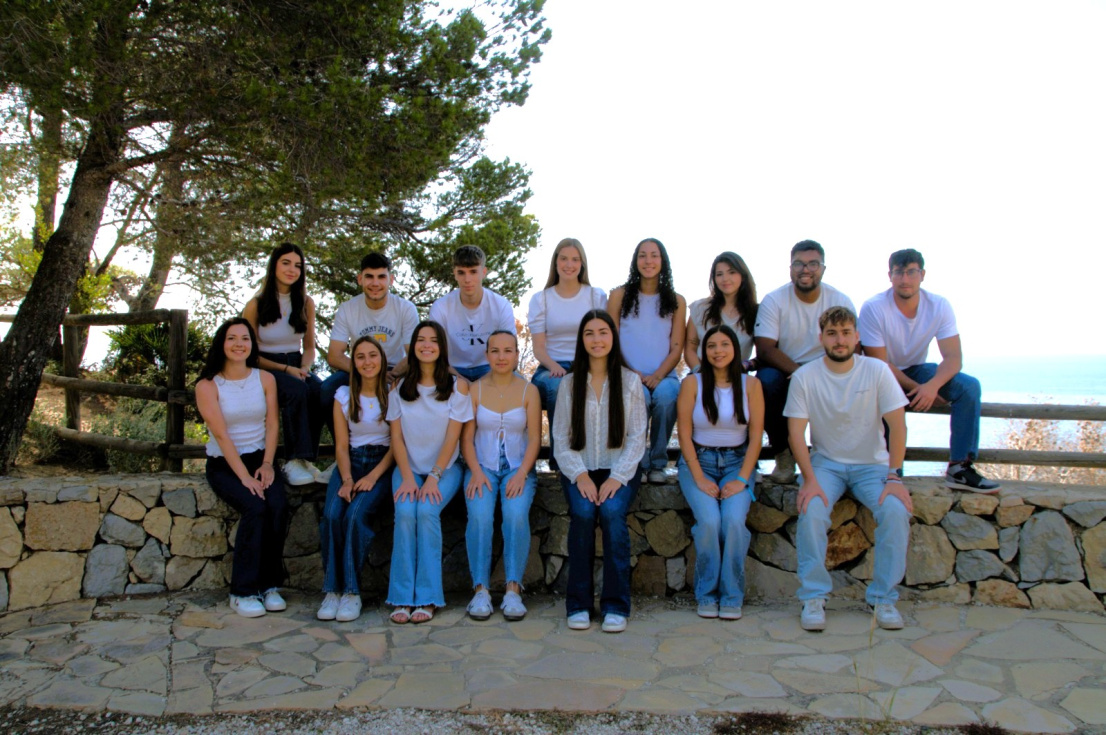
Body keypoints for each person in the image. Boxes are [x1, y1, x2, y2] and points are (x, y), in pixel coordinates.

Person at [784, 306, 910, 632]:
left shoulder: (877, 371)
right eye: (832, 333)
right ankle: (813, 597)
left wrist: (894, 476)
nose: (839, 340)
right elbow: (796, 433)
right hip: (826, 465)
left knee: (895, 511)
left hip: (873, 466)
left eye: (845, 333)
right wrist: (809, 479)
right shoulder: (805, 377)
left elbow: (898, 425)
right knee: (812, 510)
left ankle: (883, 599)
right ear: (821, 338)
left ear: (857, 336)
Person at [859, 249, 1000, 493]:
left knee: (969, 387)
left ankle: (960, 468)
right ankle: (891, 473)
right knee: (888, 401)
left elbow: (953, 358)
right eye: (899, 272)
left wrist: (932, 387)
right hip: (878, 376)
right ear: (890, 276)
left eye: (911, 272)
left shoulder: (938, 305)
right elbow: (879, 364)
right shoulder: (874, 307)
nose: (905, 279)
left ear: (922, 274)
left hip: (916, 370)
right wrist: (919, 390)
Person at [553, 310, 647, 633]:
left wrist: (617, 477)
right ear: (581, 339)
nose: (597, 339)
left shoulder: (630, 382)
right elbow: (560, 438)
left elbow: (637, 437)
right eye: (589, 333)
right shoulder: (568, 384)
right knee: (582, 513)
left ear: (613, 337)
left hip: (619, 469)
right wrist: (579, 475)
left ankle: (615, 606)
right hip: (579, 468)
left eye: (603, 332)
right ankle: (579, 604)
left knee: (610, 512)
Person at [195, 318, 289, 618]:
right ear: (221, 344)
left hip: (261, 459)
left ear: (252, 344)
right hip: (226, 463)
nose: (239, 344)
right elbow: (221, 435)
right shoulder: (208, 385)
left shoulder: (265, 379)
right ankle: (243, 591)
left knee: (277, 505)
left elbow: (272, 424)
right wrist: (245, 477)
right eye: (232, 338)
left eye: (245, 338)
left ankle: (269, 585)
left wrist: (267, 464)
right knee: (255, 507)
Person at [385, 321, 473, 624]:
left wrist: (433, 477)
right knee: (405, 512)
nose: (426, 345)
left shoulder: (457, 386)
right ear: (413, 346)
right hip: (408, 469)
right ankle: (401, 597)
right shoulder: (399, 387)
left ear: (441, 347)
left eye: (433, 340)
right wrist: (408, 477)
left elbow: (453, 438)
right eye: (420, 340)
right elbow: (396, 438)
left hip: (445, 469)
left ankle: (428, 597)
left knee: (426, 510)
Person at [676, 325, 764, 620]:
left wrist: (741, 479)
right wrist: (699, 477)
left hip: (738, 463)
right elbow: (684, 434)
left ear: (735, 349)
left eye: (725, 344)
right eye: (711, 346)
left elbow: (756, 437)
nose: (718, 351)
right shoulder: (692, 383)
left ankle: (731, 595)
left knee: (734, 522)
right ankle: (707, 593)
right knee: (710, 522)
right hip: (698, 461)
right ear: (704, 351)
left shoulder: (751, 385)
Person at [754, 240, 855, 484]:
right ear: (790, 268)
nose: (805, 270)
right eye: (799, 264)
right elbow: (765, 348)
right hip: (786, 368)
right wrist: (799, 373)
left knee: (851, 382)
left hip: (827, 368)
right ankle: (783, 455)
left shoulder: (839, 300)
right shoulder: (775, 300)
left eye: (813, 264)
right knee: (765, 382)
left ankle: (831, 459)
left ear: (823, 268)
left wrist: (819, 373)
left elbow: (851, 347)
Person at [460, 331, 541, 621]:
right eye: (495, 351)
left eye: (508, 351)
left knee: (515, 514)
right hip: (481, 467)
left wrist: (522, 474)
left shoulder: (529, 391)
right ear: (487, 355)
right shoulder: (476, 390)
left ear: (517, 354)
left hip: (518, 468)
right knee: (480, 515)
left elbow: (535, 439)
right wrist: (475, 471)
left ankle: (513, 590)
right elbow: (466, 438)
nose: (501, 357)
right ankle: (480, 590)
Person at [317, 336, 394, 623]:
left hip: (382, 464)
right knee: (332, 515)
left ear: (382, 359)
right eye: (360, 356)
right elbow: (340, 445)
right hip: (350, 462)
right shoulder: (343, 395)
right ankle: (331, 591)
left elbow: (397, 445)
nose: (367, 362)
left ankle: (351, 592)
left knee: (355, 516)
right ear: (354, 362)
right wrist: (347, 479)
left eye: (373, 355)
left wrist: (373, 477)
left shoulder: (393, 394)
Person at [242, 243, 322, 486]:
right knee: (296, 391)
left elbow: (309, 347)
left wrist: (304, 369)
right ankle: (291, 461)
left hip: (297, 362)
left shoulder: (306, 302)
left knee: (319, 390)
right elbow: (249, 354)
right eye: (286, 263)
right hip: (265, 365)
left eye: (297, 265)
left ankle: (306, 460)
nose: (292, 270)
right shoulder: (256, 304)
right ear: (274, 266)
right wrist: (286, 370)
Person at [608, 237, 686, 483]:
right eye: (642, 255)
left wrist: (658, 375)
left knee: (666, 397)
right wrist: (633, 373)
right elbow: (611, 341)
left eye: (654, 255)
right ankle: (638, 464)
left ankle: (658, 464)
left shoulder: (676, 301)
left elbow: (677, 347)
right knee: (638, 396)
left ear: (663, 261)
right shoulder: (619, 296)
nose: (648, 261)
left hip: (664, 375)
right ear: (635, 261)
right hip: (627, 373)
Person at [527, 238, 608, 469]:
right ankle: (560, 460)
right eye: (563, 259)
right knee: (559, 386)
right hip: (550, 367)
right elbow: (538, 348)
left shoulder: (595, 296)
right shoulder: (541, 299)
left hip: (588, 363)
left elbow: (602, 337)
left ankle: (595, 458)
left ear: (582, 264)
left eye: (575, 259)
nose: (569, 265)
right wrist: (554, 366)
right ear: (555, 262)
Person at [320, 251, 419, 433]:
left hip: (395, 369)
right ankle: (344, 446)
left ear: (391, 280)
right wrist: (369, 371)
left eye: (381, 277)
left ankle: (404, 447)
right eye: (369, 277)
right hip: (360, 368)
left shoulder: (405, 309)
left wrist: (390, 374)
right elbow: (334, 356)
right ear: (360, 279)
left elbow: (414, 353)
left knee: (418, 392)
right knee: (327, 390)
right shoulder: (348, 309)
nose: (375, 283)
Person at [428, 245, 516, 382]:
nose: (467, 279)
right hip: (452, 369)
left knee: (520, 384)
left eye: (473, 272)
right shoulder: (441, 307)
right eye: (461, 272)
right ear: (455, 273)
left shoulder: (501, 305)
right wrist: (462, 381)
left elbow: (510, 354)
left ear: (483, 272)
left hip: (490, 367)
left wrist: (481, 384)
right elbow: (433, 353)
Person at [685, 251, 759, 373]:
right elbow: (690, 349)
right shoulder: (700, 308)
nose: (725, 279)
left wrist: (745, 366)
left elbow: (763, 353)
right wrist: (700, 373)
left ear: (743, 275)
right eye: (719, 274)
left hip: (737, 377)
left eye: (731, 272)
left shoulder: (757, 312)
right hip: (702, 375)